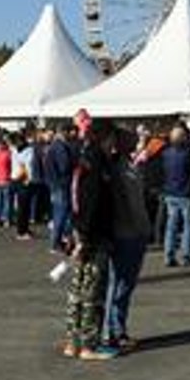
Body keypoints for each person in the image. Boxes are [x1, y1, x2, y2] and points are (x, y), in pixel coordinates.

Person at [62, 117, 119, 361]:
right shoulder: (98, 164)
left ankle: (72, 341)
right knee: (92, 291)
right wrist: (85, 236)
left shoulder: (83, 158)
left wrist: (76, 233)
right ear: (105, 137)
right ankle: (89, 345)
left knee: (77, 289)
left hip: (81, 232)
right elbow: (92, 203)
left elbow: (77, 201)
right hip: (93, 236)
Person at [105, 127, 149, 354]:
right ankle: (114, 330)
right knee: (120, 284)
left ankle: (117, 328)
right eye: (132, 139)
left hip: (133, 232)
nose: (137, 141)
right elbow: (126, 205)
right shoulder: (118, 170)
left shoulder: (127, 166)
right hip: (127, 233)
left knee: (124, 284)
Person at [161, 125, 190, 267]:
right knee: (187, 225)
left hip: (170, 192)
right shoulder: (188, 154)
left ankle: (168, 255)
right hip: (185, 193)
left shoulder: (166, 154)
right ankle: (185, 255)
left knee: (171, 225)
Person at [44, 124, 77, 253]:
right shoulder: (60, 147)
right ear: (64, 132)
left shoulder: (53, 146)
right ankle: (56, 243)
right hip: (61, 184)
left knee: (60, 213)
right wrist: (75, 163)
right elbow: (64, 166)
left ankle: (60, 241)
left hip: (55, 184)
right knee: (61, 215)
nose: (72, 135)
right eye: (71, 132)